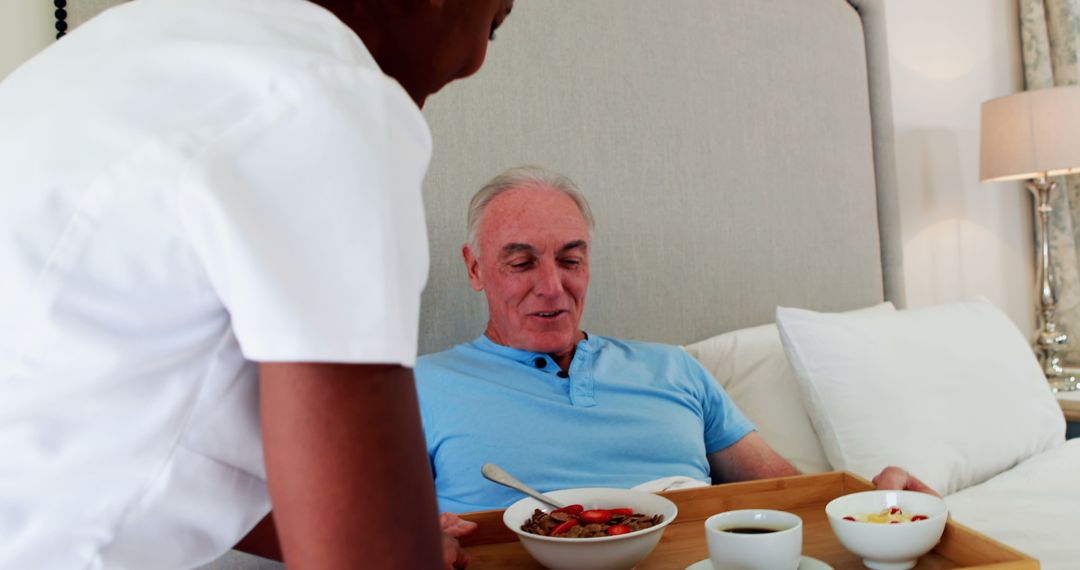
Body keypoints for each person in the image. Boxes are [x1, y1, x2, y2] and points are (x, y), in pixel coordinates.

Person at [0, 0, 512, 569]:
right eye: (494, 21)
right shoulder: (325, 96)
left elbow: (133, 431)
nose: (477, 62)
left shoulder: (113, 51)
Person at [415, 165, 937, 520]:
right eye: (522, 262)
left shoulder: (673, 369)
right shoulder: (423, 386)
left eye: (571, 260)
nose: (552, 286)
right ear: (475, 267)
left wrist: (877, 505)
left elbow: (791, 501)